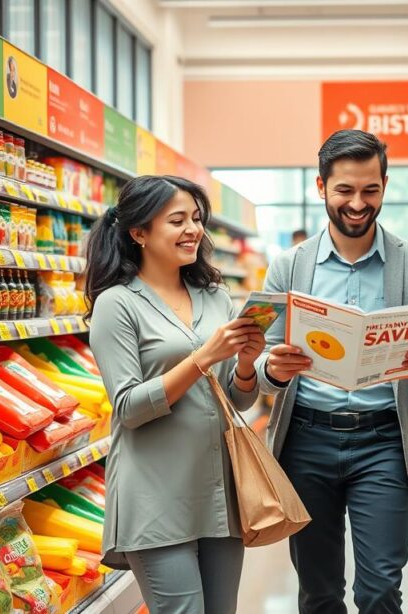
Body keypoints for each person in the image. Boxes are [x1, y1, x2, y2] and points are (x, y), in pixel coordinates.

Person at [256, 130, 408, 614]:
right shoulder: (288, 269)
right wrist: (274, 367)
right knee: (319, 590)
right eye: (344, 190)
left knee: (380, 589)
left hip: (385, 445)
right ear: (321, 187)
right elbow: (262, 365)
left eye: (370, 190)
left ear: (385, 186)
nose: (357, 203)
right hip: (306, 441)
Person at [85, 176, 265, 614]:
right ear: (139, 232)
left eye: (197, 219)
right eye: (177, 220)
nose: (193, 230)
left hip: (219, 494)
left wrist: (245, 364)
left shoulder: (216, 296)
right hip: (154, 498)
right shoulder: (117, 304)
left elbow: (235, 401)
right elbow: (127, 407)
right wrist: (203, 357)